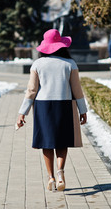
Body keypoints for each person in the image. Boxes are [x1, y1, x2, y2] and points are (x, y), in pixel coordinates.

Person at [16, 29, 88, 192]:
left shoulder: (37, 65)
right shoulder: (70, 64)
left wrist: (22, 113)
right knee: (62, 142)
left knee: (46, 142)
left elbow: (31, 90)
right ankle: (61, 173)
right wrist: (83, 111)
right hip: (64, 105)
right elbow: (77, 90)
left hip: (43, 106)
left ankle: (51, 178)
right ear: (62, 45)